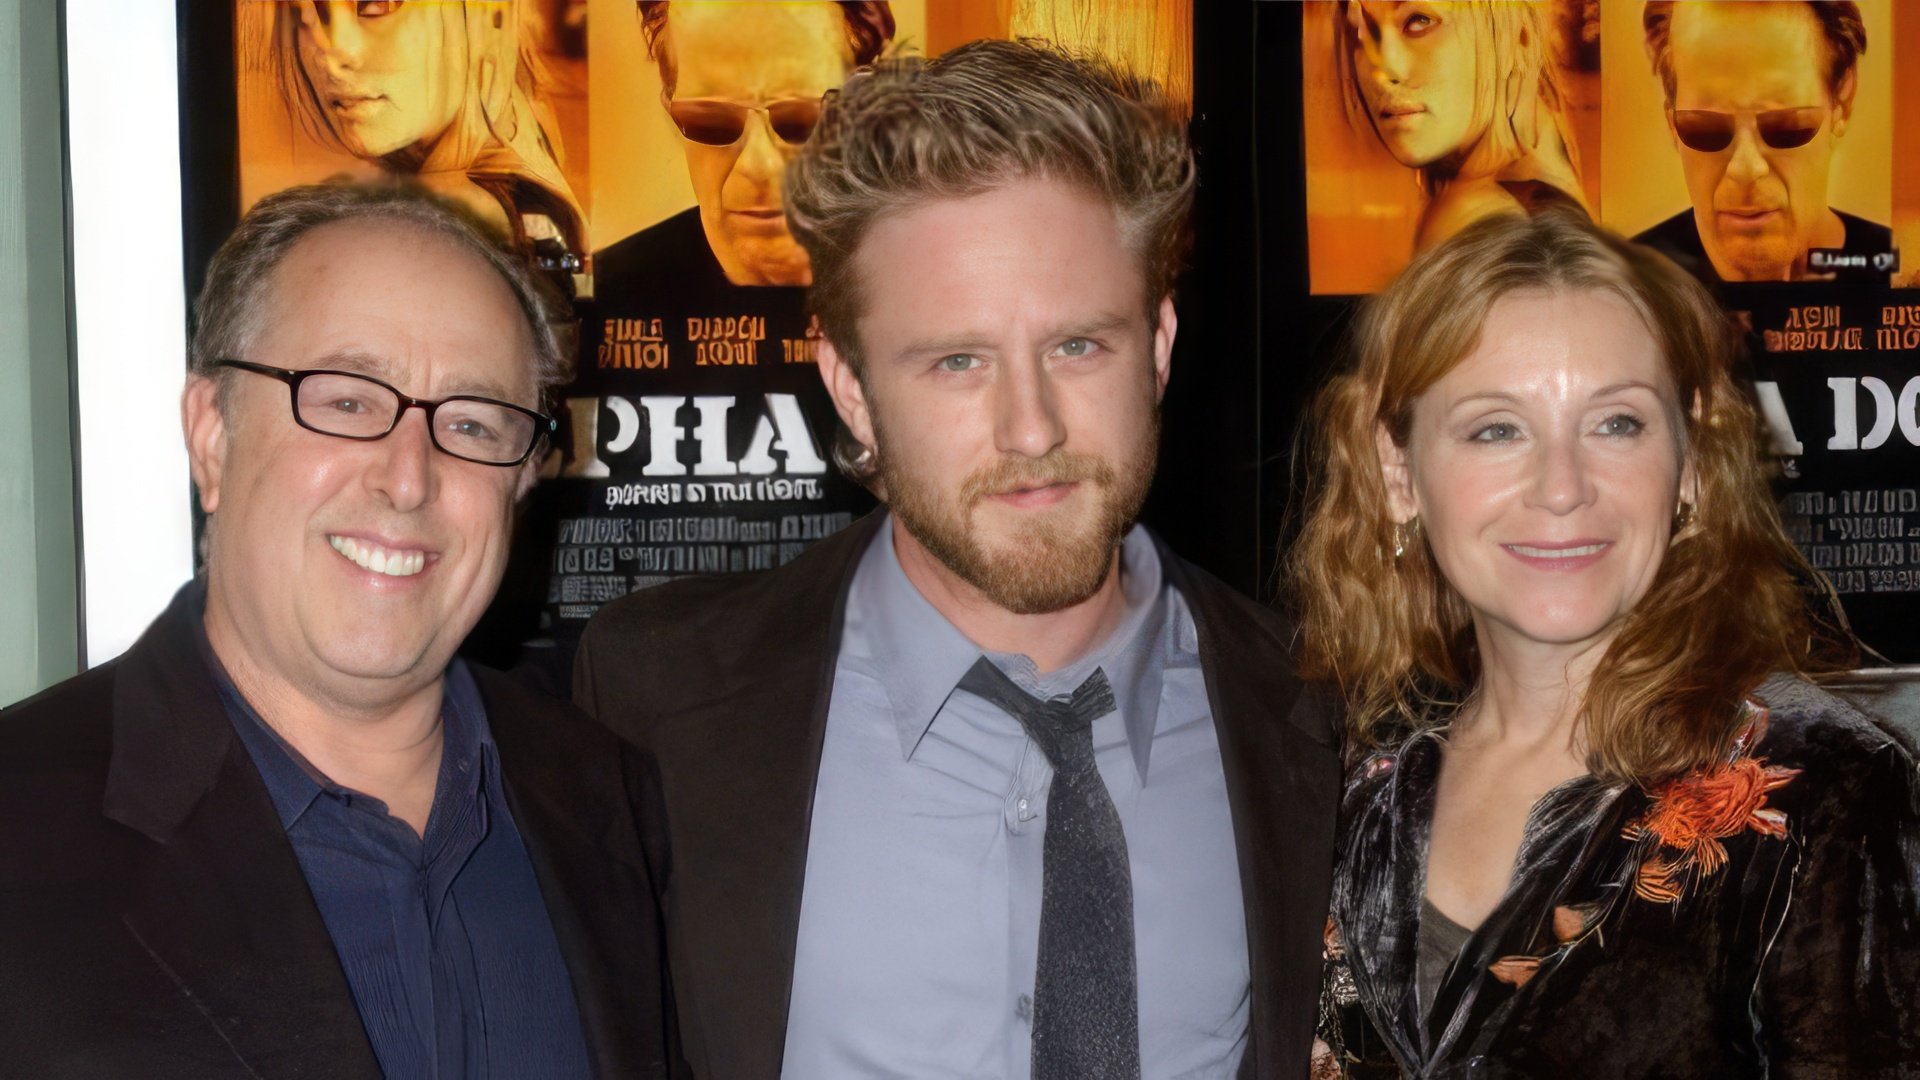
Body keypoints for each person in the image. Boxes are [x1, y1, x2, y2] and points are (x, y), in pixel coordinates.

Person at [574, 39, 1342, 1079]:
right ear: (851, 389)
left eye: (1079, 345)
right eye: (957, 361)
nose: (1031, 429)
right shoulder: (655, 699)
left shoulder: (1318, 713)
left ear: (1157, 346)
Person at [0, 185, 673, 1078]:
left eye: (472, 422)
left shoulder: (607, 797)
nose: (409, 478)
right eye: (348, 401)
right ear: (211, 437)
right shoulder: (19, 824)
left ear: (522, 481)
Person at [1291, 208, 1920, 1077]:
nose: (1562, 488)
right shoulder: (1339, 782)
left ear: (1691, 458)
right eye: (1496, 428)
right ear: (1398, 472)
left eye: (1616, 423)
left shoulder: (1827, 790)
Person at [593, 0, 895, 286]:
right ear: (671, 112)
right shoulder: (608, 293)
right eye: (711, 122)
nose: (757, 165)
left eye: (803, 122)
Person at [272, 0, 588, 271]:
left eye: (377, 1)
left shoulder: (459, 208)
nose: (331, 53)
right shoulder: (527, 169)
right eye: (308, 12)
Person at [1634, 1, 1892, 284]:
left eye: (1785, 126)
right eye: (1706, 128)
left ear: (1841, 103)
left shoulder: (1896, 266)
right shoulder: (1630, 282)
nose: (1746, 168)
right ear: (1672, 123)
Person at [1334, 0, 1590, 255]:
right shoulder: (1548, 184)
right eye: (1362, 34)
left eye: (1419, 21)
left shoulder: (1470, 216)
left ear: (1517, 38)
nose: (1386, 69)